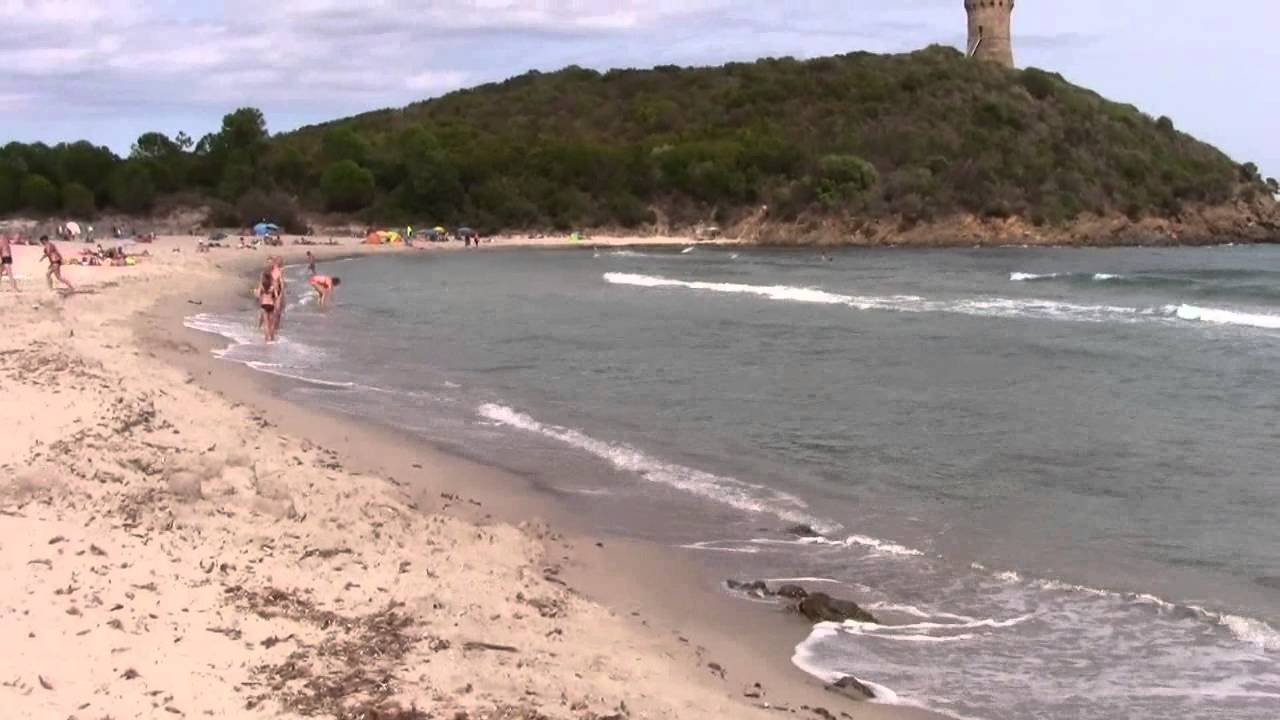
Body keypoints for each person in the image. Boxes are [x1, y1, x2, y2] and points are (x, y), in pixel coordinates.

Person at [257, 268, 277, 341]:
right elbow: (276, 295)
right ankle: (272, 338)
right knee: (271, 322)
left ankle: (266, 338)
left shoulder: (262, 285)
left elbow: (258, 294)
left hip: (264, 304)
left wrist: (261, 298)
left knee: (266, 323)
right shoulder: (272, 286)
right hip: (271, 304)